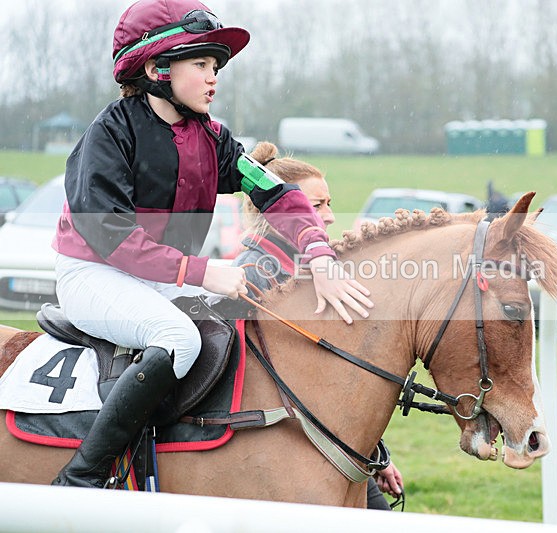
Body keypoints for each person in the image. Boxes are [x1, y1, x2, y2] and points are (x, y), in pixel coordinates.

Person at [51, 0, 372, 488]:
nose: (213, 77)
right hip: (93, 275)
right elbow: (112, 239)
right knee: (179, 338)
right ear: (158, 68)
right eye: (200, 64)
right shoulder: (108, 135)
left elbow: (279, 194)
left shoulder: (216, 141)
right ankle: (83, 476)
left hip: (157, 279)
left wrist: (320, 256)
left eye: (215, 66)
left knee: (246, 325)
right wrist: (201, 272)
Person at [232, 142, 404, 510]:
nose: (327, 216)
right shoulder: (251, 274)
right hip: (280, 456)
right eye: (316, 206)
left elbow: (332, 381)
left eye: (329, 204)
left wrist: (377, 453)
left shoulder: (314, 270)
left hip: (331, 446)